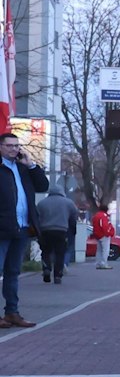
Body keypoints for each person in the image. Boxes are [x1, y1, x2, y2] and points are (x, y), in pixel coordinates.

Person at [0, 133, 50, 329]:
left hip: (21, 228)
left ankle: (12, 313)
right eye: (9, 145)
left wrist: (31, 164)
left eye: (16, 145)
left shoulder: (22, 168)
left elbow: (43, 186)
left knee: (13, 272)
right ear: (1, 147)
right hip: (2, 229)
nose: (14, 149)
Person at [34, 187, 78, 285]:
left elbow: (36, 218)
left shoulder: (42, 203)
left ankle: (46, 269)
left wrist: (38, 232)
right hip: (61, 231)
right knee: (60, 254)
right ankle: (58, 275)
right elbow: (73, 219)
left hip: (45, 231)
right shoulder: (69, 203)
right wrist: (73, 232)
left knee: (46, 252)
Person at [90, 201, 117, 269]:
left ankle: (98, 263)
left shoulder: (96, 215)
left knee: (99, 250)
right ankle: (104, 263)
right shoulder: (103, 216)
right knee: (105, 250)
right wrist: (109, 233)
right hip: (103, 235)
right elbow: (105, 226)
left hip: (98, 235)